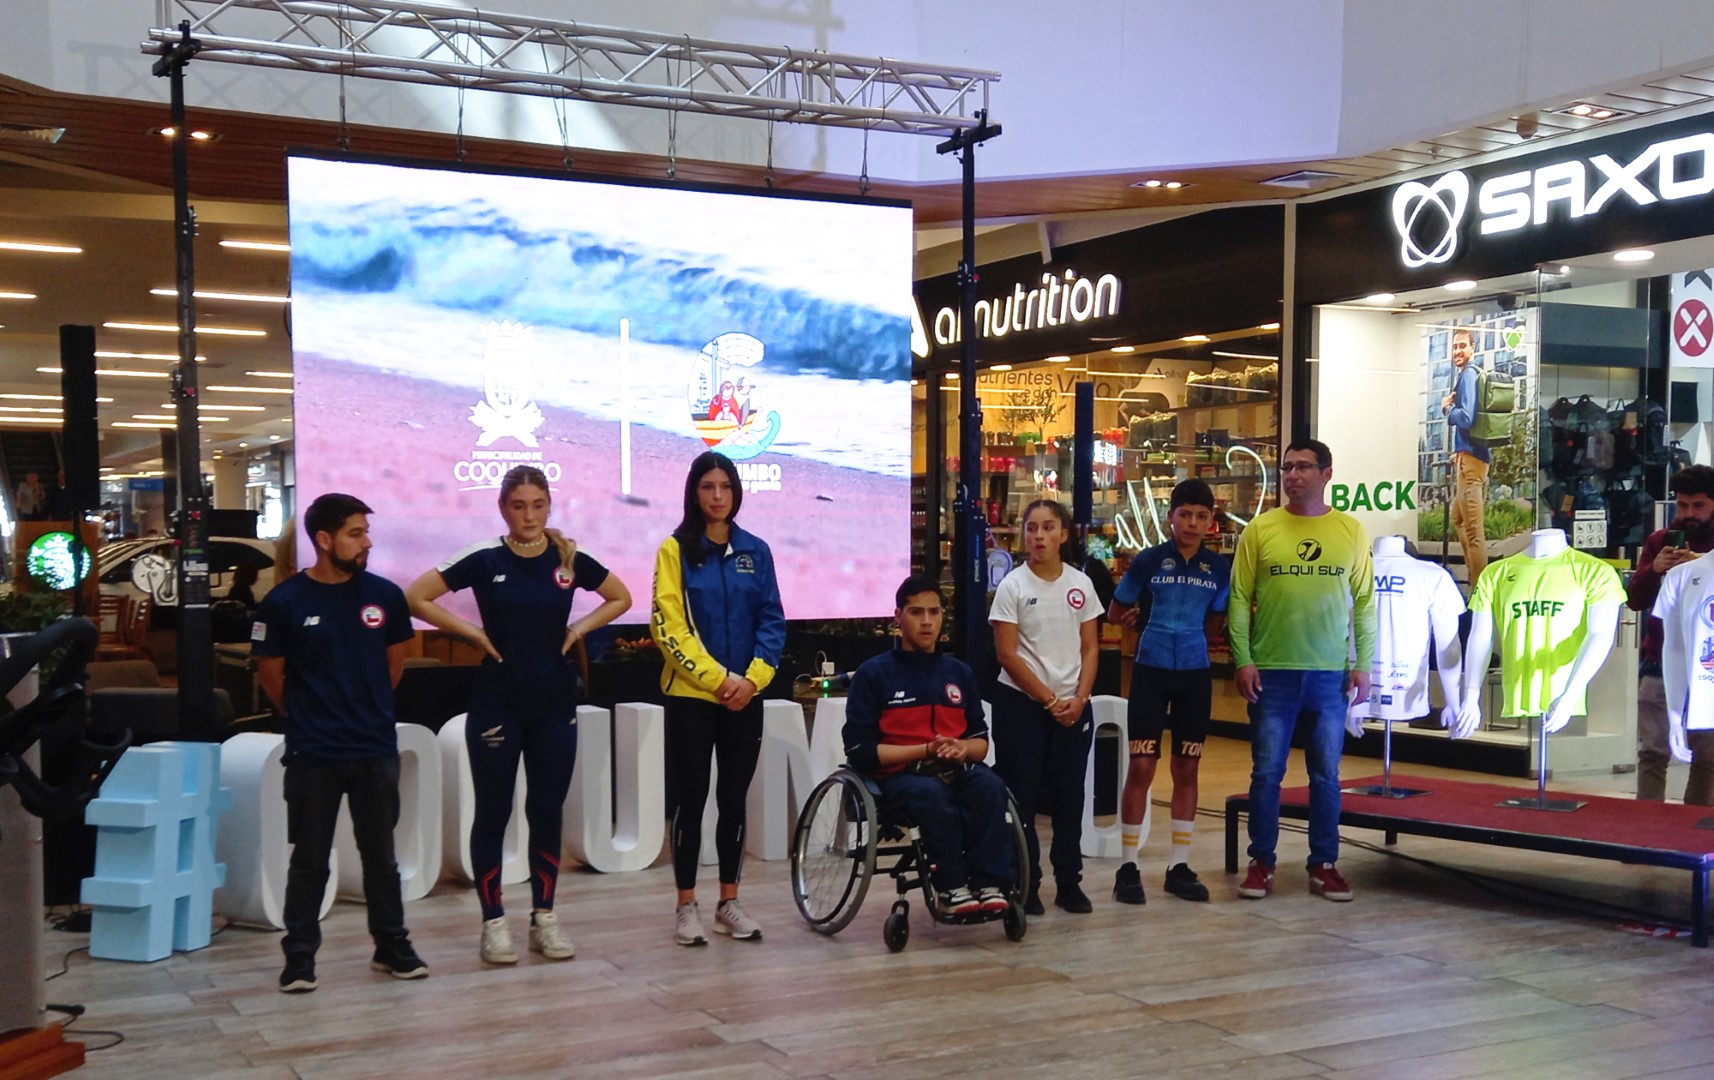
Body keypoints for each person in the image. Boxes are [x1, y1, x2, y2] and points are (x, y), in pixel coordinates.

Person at [406, 466, 632, 964]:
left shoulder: (568, 559)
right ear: (503, 509)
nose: (528, 515)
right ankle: (493, 923)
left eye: (537, 505)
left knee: (547, 812)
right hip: (497, 703)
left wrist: (578, 630)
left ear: (549, 506)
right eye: (518, 505)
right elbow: (416, 596)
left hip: (554, 704)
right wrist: (471, 634)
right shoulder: (484, 558)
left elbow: (621, 596)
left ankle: (544, 918)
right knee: (494, 810)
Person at [252, 493, 426, 993]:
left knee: (381, 858)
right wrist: (312, 719)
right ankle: (300, 958)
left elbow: (393, 668)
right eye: (355, 532)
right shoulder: (284, 603)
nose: (366, 541)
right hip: (313, 754)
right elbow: (272, 677)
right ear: (324, 540)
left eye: (366, 531)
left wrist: (361, 713)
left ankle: (392, 946)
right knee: (309, 858)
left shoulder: (385, 596)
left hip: (374, 748)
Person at [1229, 438, 1375, 902]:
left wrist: (1364, 665)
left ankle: (1324, 864)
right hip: (1273, 674)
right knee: (1266, 773)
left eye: (1304, 467)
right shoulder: (1261, 530)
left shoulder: (1351, 531)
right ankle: (1261, 862)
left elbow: (1366, 603)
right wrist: (1243, 658)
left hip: (1329, 674)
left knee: (1326, 777)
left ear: (1327, 473)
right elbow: (1237, 598)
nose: (1292, 475)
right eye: (1287, 467)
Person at [650, 450, 786, 945]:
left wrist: (751, 680)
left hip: (745, 698)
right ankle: (686, 905)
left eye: (725, 487)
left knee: (733, 799)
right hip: (692, 697)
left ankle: (729, 901)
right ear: (694, 492)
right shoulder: (675, 549)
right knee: (692, 799)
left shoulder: (757, 550)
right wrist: (717, 680)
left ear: (736, 492)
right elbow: (668, 626)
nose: (717, 496)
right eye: (708, 487)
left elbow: (772, 620)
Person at [842, 575, 1016, 915]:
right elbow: (860, 751)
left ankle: (990, 882)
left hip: (956, 767)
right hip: (900, 776)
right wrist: (925, 750)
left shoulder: (959, 673)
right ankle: (951, 887)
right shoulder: (873, 674)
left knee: (991, 787)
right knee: (931, 796)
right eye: (916, 612)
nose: (926, 621)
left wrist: (961, 749)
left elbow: (981, 743)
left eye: (934, 612)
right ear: (898, 616)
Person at [1106, 479, 1229, 905]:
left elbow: (1216, 623)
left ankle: (1179, 865)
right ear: (1170, 517)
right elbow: (1116, 610)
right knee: (1141, 766)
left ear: (1211, 522)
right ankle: (1128, 867)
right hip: (1150, 673)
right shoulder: (1148, 561)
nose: (1192, 523)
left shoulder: (1220, 568)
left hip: (1195, 674)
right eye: (1184, 514)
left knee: (1187, 768)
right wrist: (1133, 621)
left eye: (1201, 516)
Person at [989, 498, 1101, 915]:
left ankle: (1069, 881)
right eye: (1032, 528)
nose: (1039, 536)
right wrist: (1050, 699)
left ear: (1064, 534)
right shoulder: (1012, 586)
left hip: (1073, 706)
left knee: (1070, 796)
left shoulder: (1081, 584)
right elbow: (1007, 655)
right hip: (1022, 705)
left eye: (1048, 527)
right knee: (1022, 793)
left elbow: (1090, 648)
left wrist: (1079, 699)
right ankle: (1026, 881)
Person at [1626, 464, 1714, 801]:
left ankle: (1693, 831)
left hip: (1706, 661)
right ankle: (1647, 830)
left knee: (1706, 755)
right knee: (1652, 750)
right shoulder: (1660, 541)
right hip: (1658, 657)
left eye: (1698, 505)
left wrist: (1701, 565)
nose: (1689, 514)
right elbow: (1636, 600)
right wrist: (1653, 570)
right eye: (1682, 505)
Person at [1442, 327, 1490, 585]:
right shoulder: (1467, 376)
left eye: (1462, 346)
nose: (1458, 351)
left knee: (1473, 531)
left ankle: (1479, 589)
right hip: (1466, 458)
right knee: (1459, 520)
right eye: (1454, 347)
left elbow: (1468, 417)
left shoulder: (1469, 375)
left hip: (1471, 463)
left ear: (1472, 348)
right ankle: (1474, 575)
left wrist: (1447, 409)